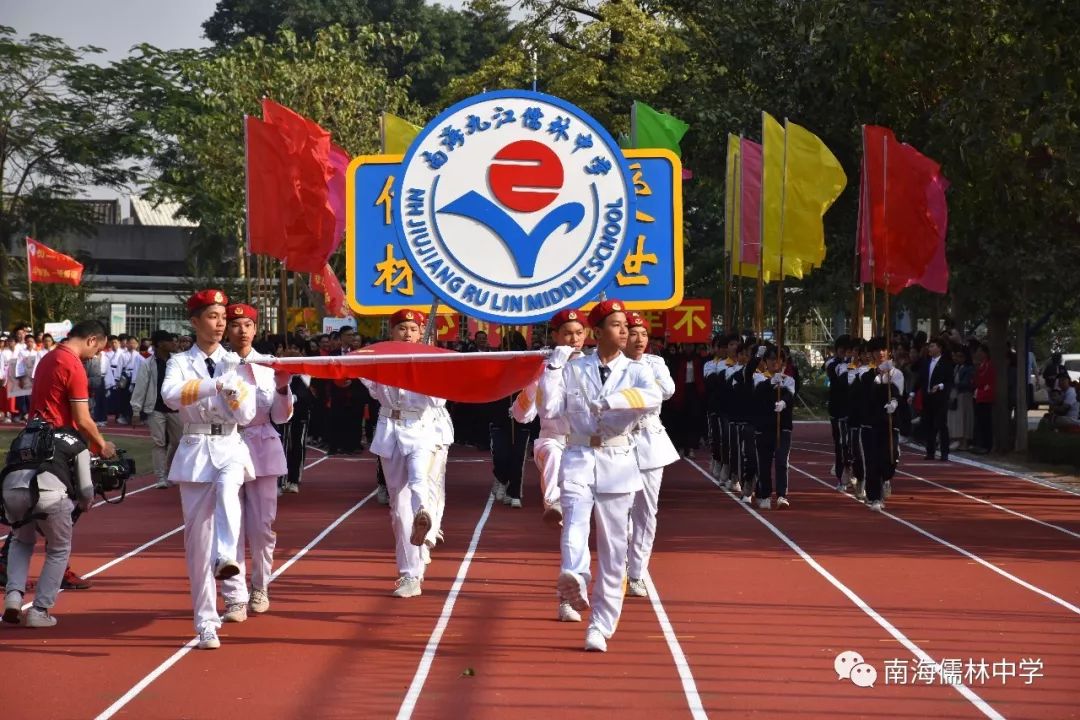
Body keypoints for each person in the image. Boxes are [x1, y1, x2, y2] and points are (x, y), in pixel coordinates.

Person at [538, 299, 662, 652]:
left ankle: (601, 626)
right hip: (577, 454)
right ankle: (575, 577)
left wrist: (611, 402)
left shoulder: (637, 370)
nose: (625, 331)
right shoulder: (574, 369)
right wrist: (552, 369)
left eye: (626, 325)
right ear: (597, 332)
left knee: (613, 548)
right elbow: (548, 409)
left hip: (618, 459)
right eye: (616, 325)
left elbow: (652, 397)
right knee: (574, 521)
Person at [160, 289, 257, 650]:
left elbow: (247, 416)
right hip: (196, 447)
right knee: (197, 543)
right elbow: (170, 397)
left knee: (230, 490)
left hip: (230, 443)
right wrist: (215, 385)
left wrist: (234, 394)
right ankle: (205, 621)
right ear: (196, 321)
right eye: (213, 317)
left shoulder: (237, 362)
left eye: (223, 318)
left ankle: (227, 557)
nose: (220, 325)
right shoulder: (179, 362)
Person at [0, 320, 117, 591]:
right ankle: (56, 567)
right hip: (58, 444)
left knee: (30, 507)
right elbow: (83, 418)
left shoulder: (48, 358)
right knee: (64, 507)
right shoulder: (72, 364)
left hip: (32, 436)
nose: (96, 356)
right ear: (90, 340)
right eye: (97, 349)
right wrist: (101, 445)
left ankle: (10, 562)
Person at [360, 309, 450, 599]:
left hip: (422, 428)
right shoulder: (381, 357)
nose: (408, 333)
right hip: (390, 429)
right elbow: (372, 388)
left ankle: (424, 519)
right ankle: (410, 569)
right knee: (399, 508)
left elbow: (439, 399)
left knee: (421, 482)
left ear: (421, 332)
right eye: (402, 328)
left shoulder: (433, 361)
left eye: (413, 328)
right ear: (392, 331)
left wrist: (421, 369)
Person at [219, 303, 292, 624]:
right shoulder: (217, 365)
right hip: (226, 444)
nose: (242, 331)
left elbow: (280, 416)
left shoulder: (267, 367)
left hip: (262, 447)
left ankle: (260, 586)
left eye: (247, 325)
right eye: (235, 325)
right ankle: (235, 597)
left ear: (255, 329)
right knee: (230, 526)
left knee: (262, 527)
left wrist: (283, 388)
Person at [2, 424, 95, 627]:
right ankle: (39, 610)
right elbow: (86, 490)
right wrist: (84, 505)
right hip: (49, 492)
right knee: (58, 549)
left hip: (10, 489)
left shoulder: (27, 437)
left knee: (21, 541)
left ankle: (14, 597)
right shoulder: (78, 445)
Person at [511, 308, 588, 533]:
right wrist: (534, 383)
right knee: (554, 454)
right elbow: (522, 416)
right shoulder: (542, 368)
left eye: (578, 333)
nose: (574, 339)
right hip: (551, 440)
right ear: (555, 336)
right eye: (567, 333)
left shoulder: (594, 367)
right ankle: (553, 503)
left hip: (585, 444)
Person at [624, 312, 678, 598]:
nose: (639, 339)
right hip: (616, 442)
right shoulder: (609, 364)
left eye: (644, 334)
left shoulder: (655, 363)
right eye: (633, 333)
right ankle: (621, 556)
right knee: (619, 509)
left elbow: (667, 391)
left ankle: (636, 571)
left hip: (648, 440)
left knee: (646, 510)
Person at [130, 330, 182, 489]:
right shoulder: (148, 363)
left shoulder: (178, 361)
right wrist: (136, 411)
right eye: (170, 341)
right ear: (160, 344)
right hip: (155, 408)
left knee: (179, 442)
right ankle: (160, 476)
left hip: (175, 408)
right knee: (158, 442)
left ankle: (171, 472)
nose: (174, 344)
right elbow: (140, 387)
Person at [750, 343, 796, 510]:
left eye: (778, 360)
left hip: (782, 426)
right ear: (765, 362)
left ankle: (782, 495)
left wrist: (784, 402)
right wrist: (771, 383)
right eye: (771, 359)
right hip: (764, 426)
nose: (775, 363)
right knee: (764, 462)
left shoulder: (788, 379)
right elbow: (758, 393)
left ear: (783, 362)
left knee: (782, 460)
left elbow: (791, 395)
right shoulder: (759, 377)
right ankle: (765, 493)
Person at [913, 338, 952, 461]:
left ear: (939, 348)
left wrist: (940, 386)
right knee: (928, 425)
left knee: (941, 425)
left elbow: (950, 381)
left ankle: (944, 452)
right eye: (929, 346)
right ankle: (930, 451)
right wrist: (912, 393)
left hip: (940, 399)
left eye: (932, 346)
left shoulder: (946, 363)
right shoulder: (926, 362)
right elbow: (920, 379)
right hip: (928, 397)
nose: (930, 349)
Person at [825, 335, 853, 490]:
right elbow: (838, 377)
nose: (845, 353)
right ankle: (842, 473)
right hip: (838, 409)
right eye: (842, 351)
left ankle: (853, 470)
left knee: (852, 443)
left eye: (848, 351)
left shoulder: (855, 365)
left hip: (854, 409)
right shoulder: (832, 364)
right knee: (840, 443)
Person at [947, 346, 975, 451]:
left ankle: (964, 441)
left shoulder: (968, 368)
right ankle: (957, 439)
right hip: (956, 395)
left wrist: (954, 384)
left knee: (965, 418)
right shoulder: (957, 367)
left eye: (960, 356)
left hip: (964, 395)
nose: (958, 358)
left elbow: (966, 383)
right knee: (957, 419)